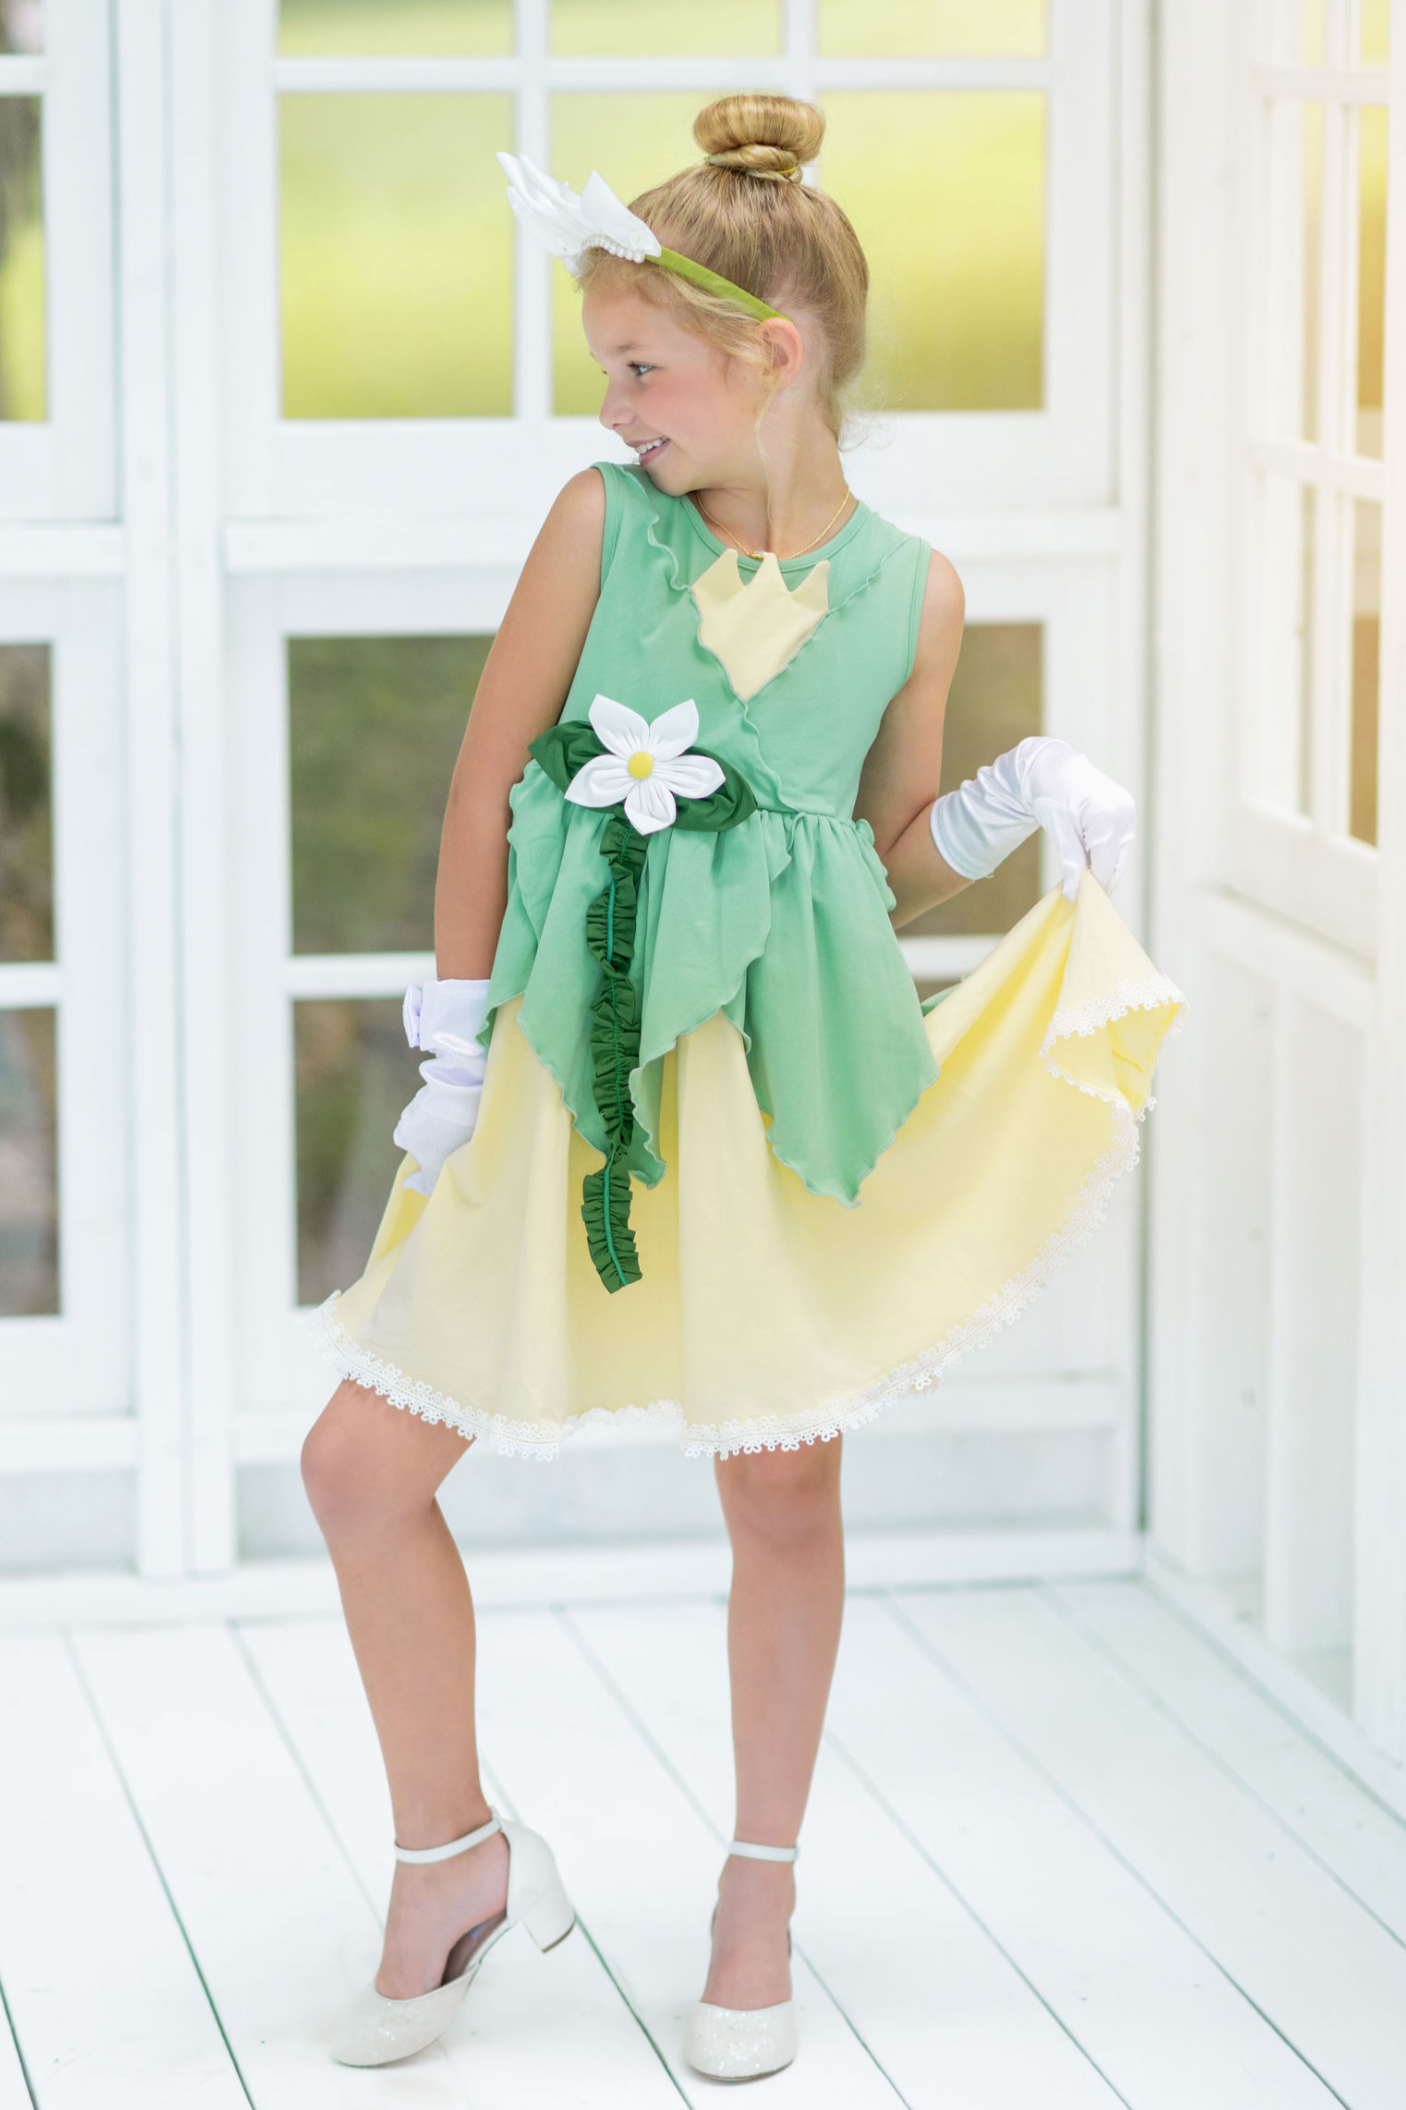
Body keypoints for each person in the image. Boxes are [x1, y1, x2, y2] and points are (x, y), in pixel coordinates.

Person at [300, 93, 1182, 2081]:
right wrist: (451, 1042)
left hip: (779, 1076)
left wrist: (1011, 795)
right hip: (573, 1064)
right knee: (361, 1465)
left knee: (782, 1481)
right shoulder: (597, 528)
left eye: (641, 369)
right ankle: (449, 1848)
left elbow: (871, 859)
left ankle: (756, 1881)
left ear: (771, 357)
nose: (616, 408)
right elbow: (478, 784)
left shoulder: (912, 591)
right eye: (607, 371)